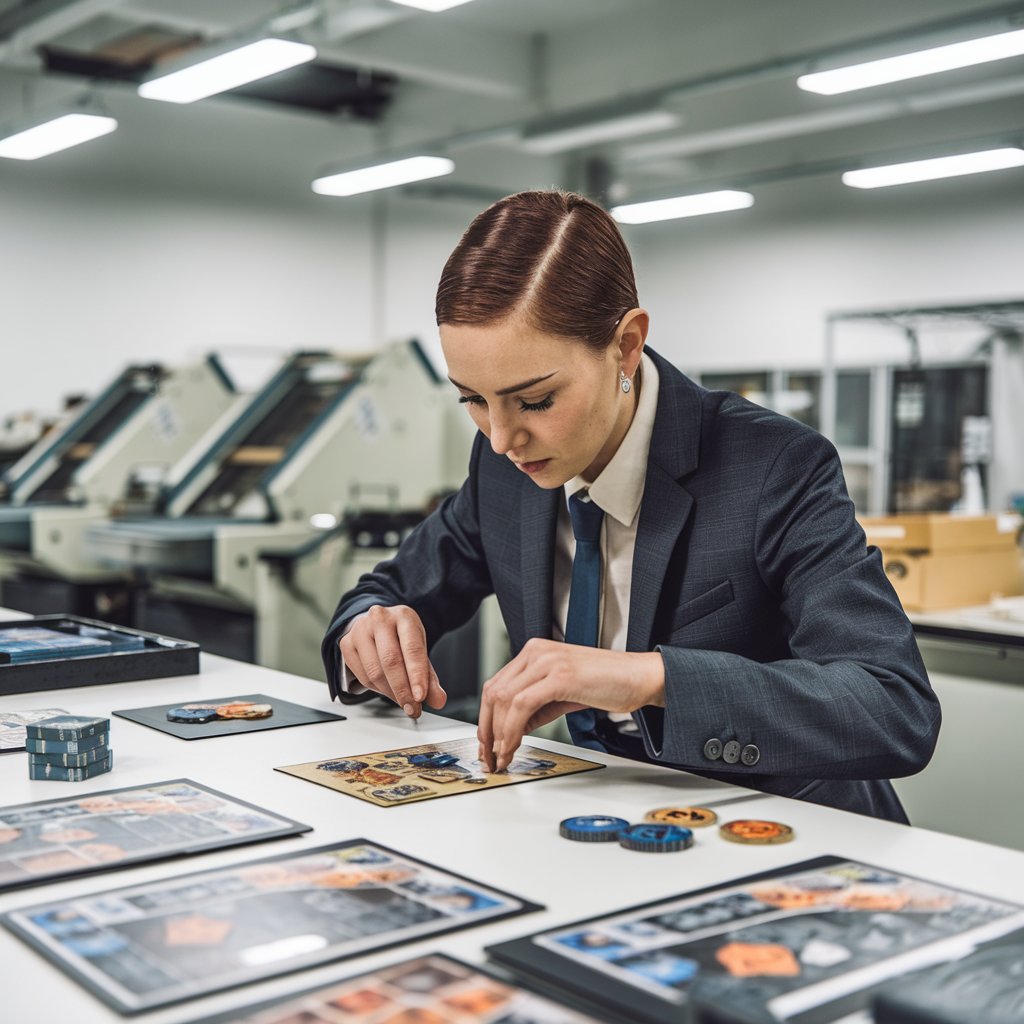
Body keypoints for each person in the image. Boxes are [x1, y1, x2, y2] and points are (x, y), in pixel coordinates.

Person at [322, 189, 940, 824]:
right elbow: (386, 590)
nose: (502, 439)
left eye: (534, 401)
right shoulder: (502, 469)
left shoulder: (773, 467)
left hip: (785, 831)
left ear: (626, 346)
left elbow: (893, 707)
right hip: (607, 826)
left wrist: (649, 678)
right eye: (471, 400)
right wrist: (367, 629)